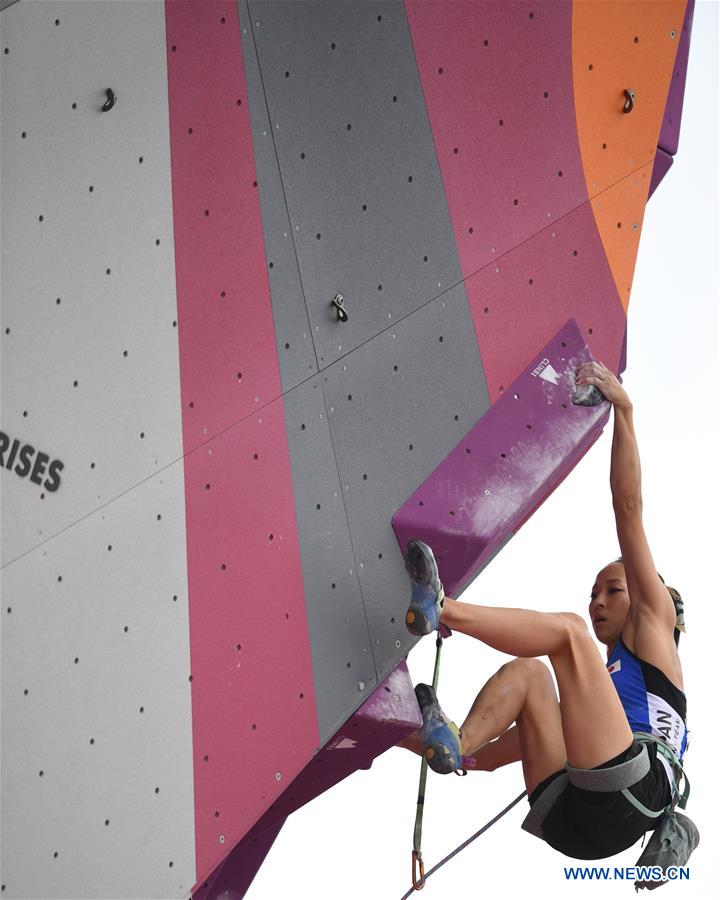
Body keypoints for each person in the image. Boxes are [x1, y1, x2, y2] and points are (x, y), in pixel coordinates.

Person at [397, 361, 689, 860]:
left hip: (631, 795)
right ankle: (452, 730)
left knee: (569, 634)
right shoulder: (599, 708)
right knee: (532, 676)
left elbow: (629, 511)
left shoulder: (654, 623)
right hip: (570, 820)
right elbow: (488, 760)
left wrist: (625, 410)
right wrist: (397, 735)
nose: (598, 601)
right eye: (594, 591)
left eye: (612, 590)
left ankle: (441, 608)